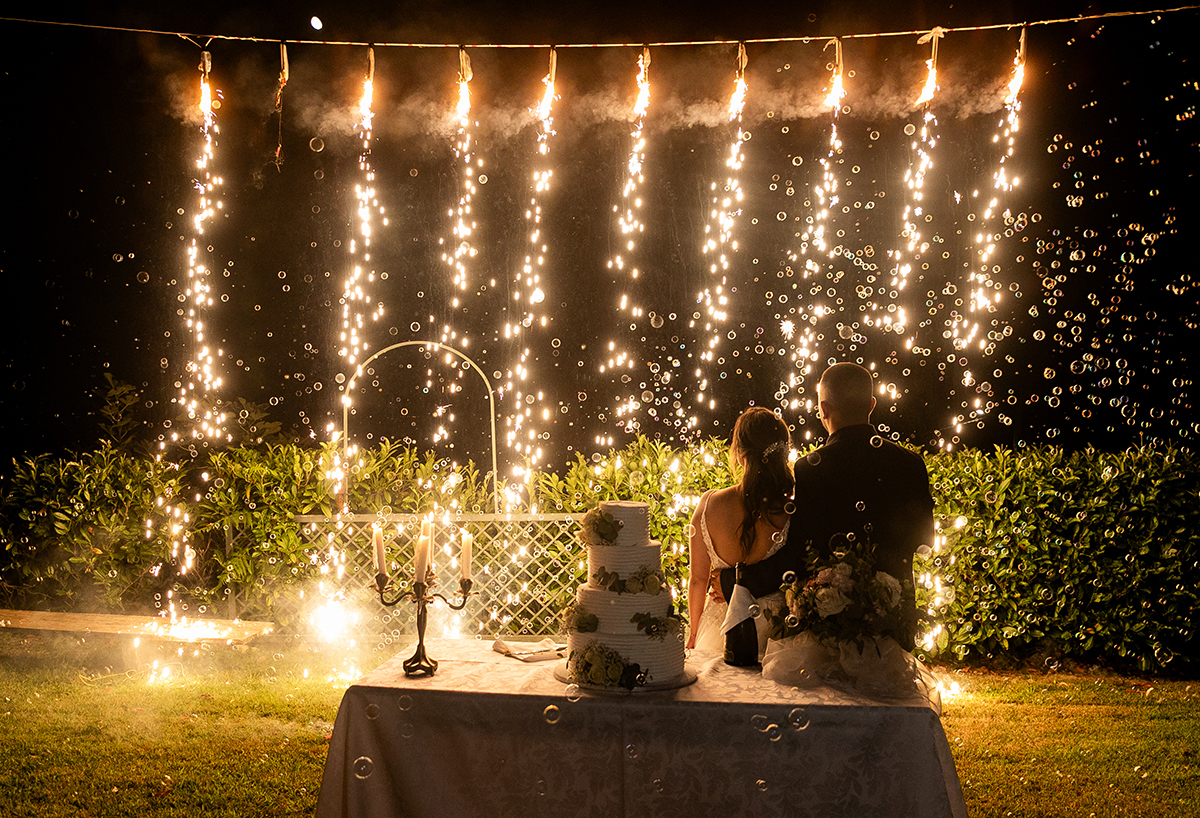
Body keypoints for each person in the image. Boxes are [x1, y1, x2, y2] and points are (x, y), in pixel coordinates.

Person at [726, 362, 935, 650]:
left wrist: (734, 580)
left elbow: (799, 555)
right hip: (894, 623)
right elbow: (925, 539)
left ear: (823, 408)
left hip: (835, 626)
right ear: (871, 405)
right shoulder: (910, 463)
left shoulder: (813, 469)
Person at [686, 406, 795, 654]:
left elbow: (698, 580)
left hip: (722, 630)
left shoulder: (709, 504)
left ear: (739, 451)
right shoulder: (791, 508)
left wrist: (693, 634)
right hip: (778, 632)